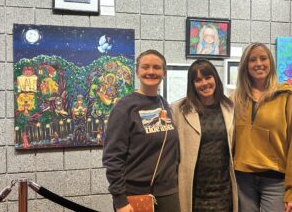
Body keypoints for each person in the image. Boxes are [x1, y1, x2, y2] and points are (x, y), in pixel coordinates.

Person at [102, 49, 180, 212]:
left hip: (168, 193)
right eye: (145, 67)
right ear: (137, 71)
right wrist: (120, 200)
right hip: (135, 194)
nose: (151, 72)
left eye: (156, 67)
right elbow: (113, 157)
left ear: (164, 73)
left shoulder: (163, 103)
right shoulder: (124, 107)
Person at [233, 42, 292, 212]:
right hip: (242, 179)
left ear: (271, 62)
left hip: (275, 180)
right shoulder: (236, 99)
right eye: (252, 59)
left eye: (263, 58)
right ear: (245, 66)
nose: (258, 63)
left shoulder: (288, 97)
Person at [171, 59, 238, 212]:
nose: (204, 83)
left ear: (215, 78)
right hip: (194, 190)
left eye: (208, 77)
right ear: (192, 84)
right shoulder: (178, 110)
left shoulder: (230, 107)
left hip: (224, 190)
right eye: (198, 80)